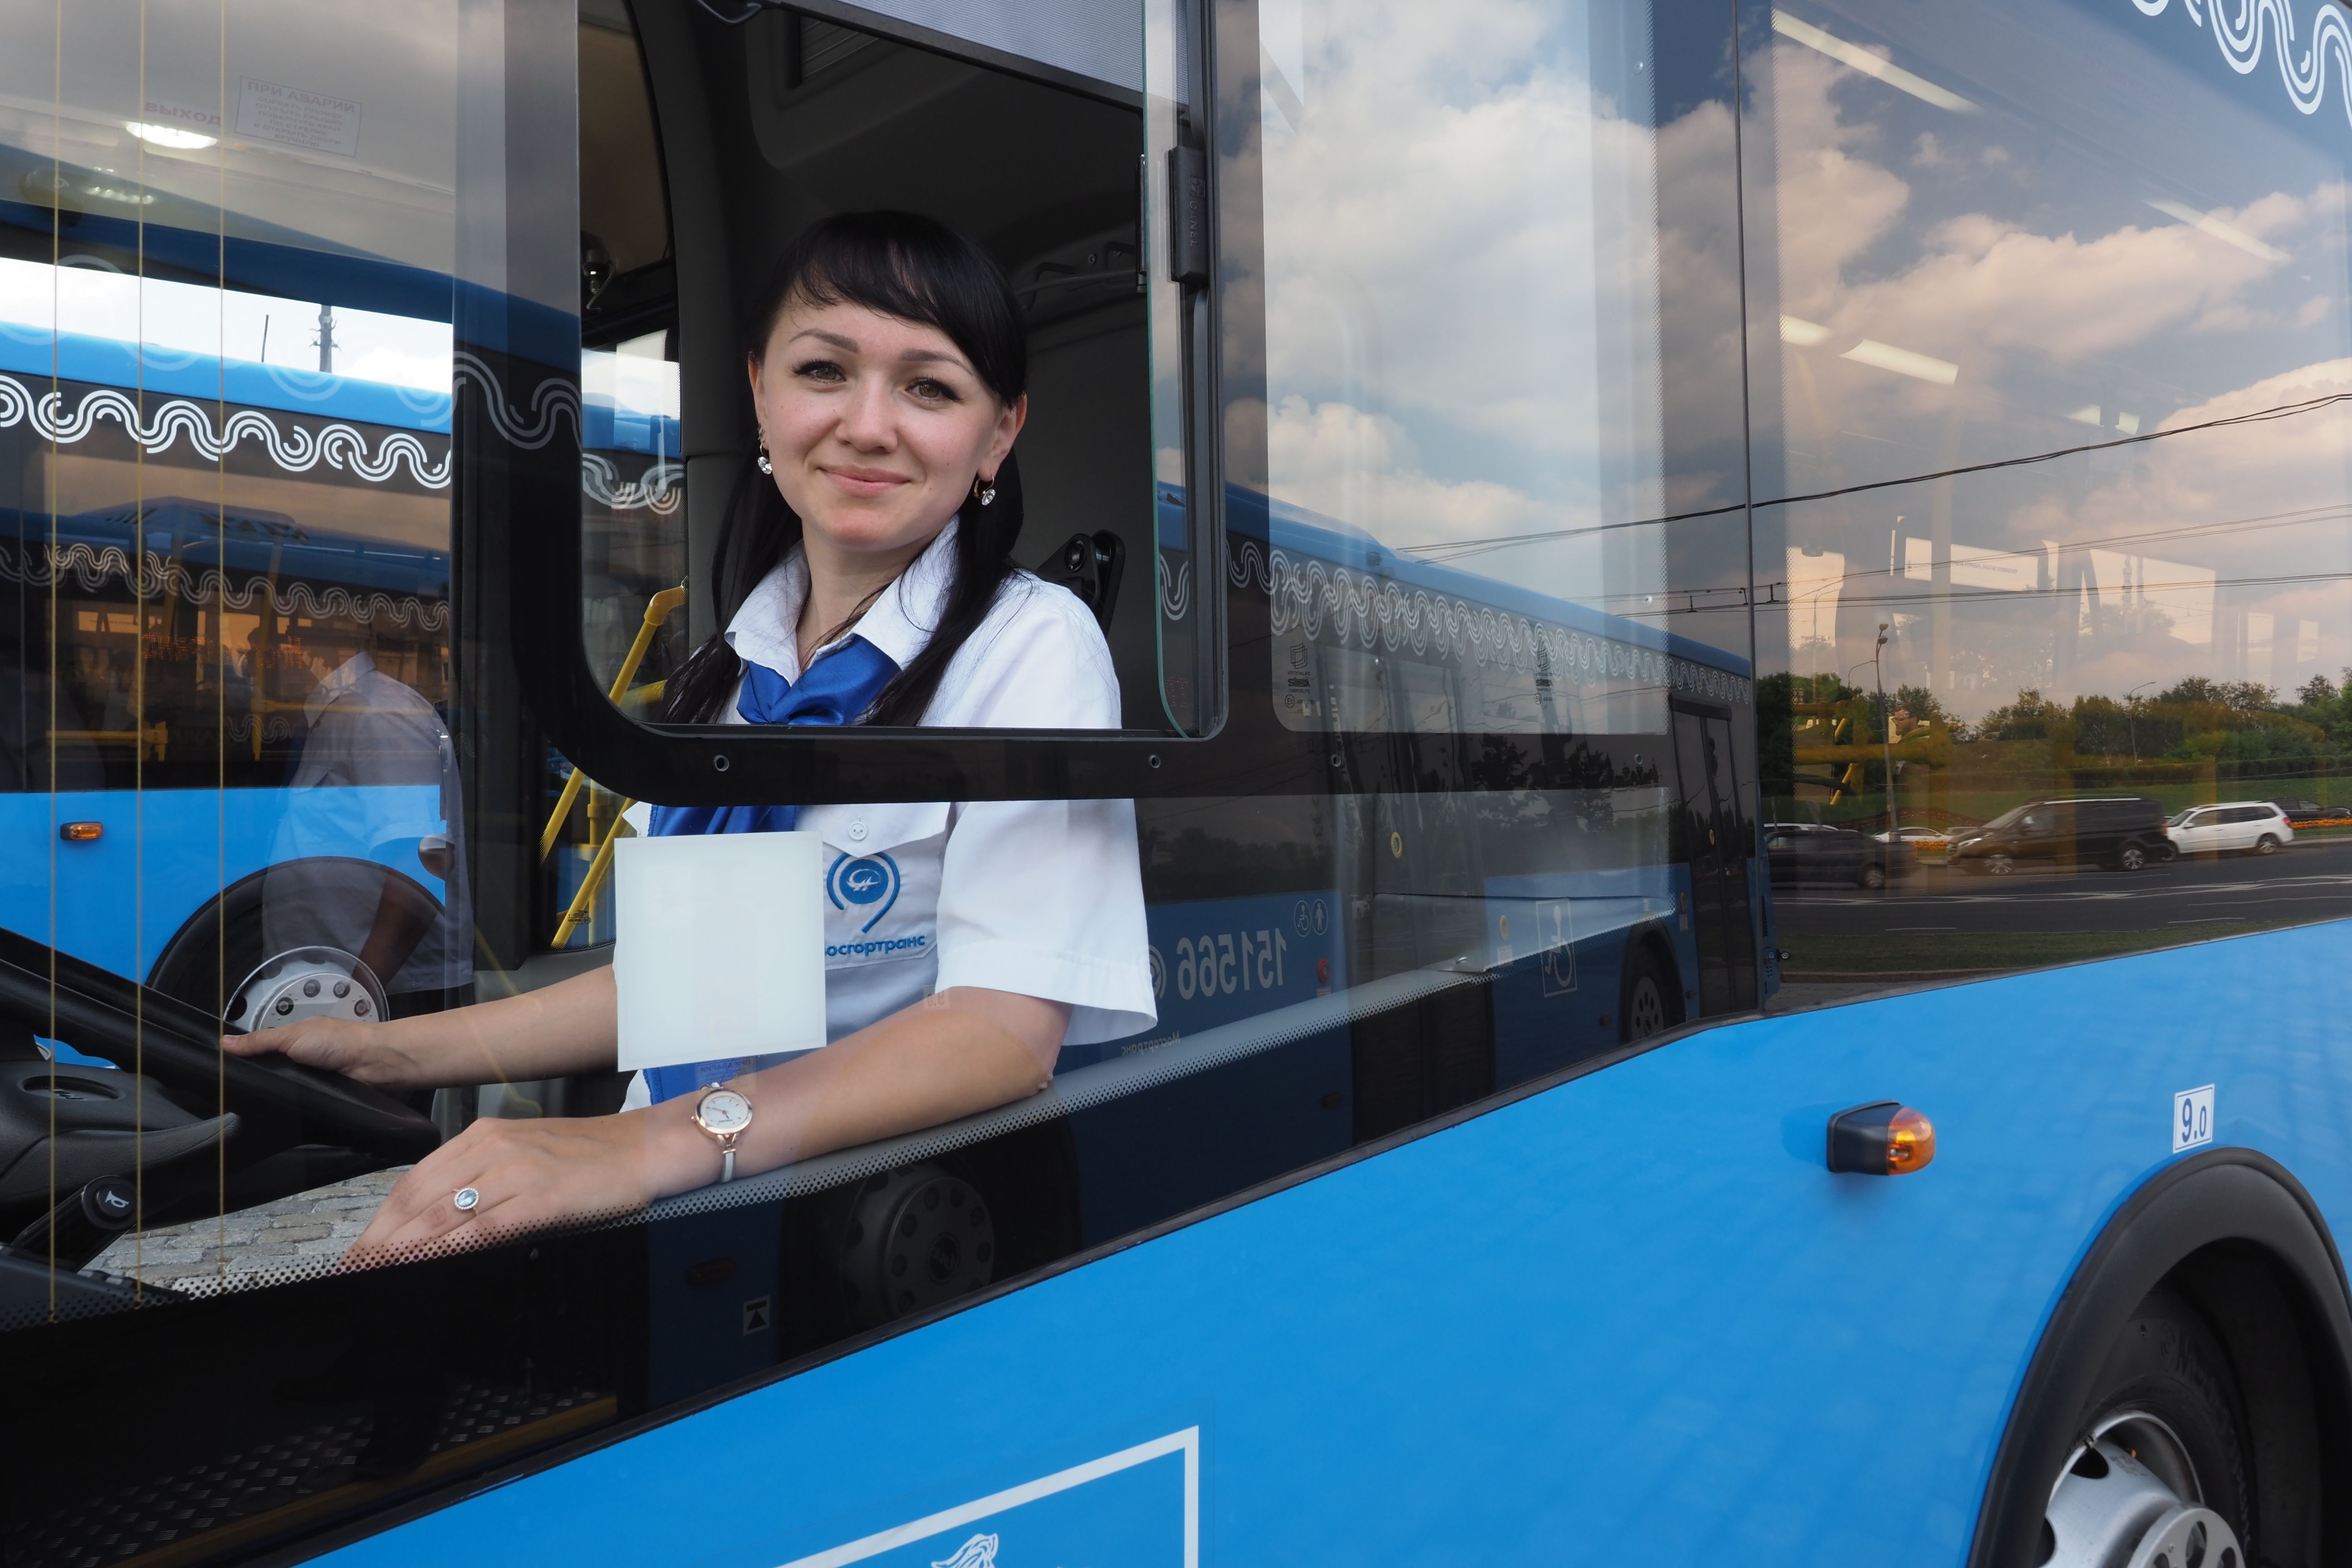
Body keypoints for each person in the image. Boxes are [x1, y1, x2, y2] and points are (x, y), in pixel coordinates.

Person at [224, 211, 1154, 1259]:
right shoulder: (730, 671)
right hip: (681, 1209)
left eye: (929, 387)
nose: (868, 423)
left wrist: (645, 1149)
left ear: (999, 435)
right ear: (761, 395)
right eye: (825, 370)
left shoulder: (1031, 645)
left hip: (855, 1230)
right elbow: (681, 985)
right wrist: (391, 1053)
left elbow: (1001, 1033)